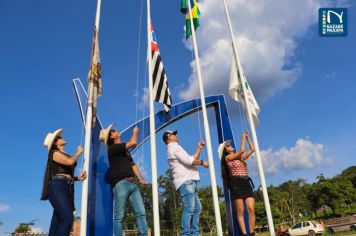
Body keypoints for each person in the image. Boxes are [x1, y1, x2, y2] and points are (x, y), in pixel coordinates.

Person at [100, 124, 148, 236]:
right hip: (121, 184)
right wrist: (135, 132)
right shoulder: (113, 148)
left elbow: (133, 164)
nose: (117, 130)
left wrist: (140, 178)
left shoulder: (123, 150)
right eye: (113, 131)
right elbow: (133, 143)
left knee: (141, 213)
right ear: (112, 137)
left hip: (133, 184)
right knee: (119, 216)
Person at [41, 128, 87, 236]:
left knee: (56, 223)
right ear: (56, 143)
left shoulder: (63, 153)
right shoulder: (54, 153)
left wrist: (77, 178)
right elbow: (70, 162)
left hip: (67, 187)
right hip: (58, 187)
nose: (63, 137)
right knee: (67, 218)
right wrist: (78, 153)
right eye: (60, 137)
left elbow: (65, 173)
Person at [163, 130, 209, 236]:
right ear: (169, 137)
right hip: (185, 181)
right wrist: (202, 162)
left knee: (197, 208)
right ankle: (186, 234)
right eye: (174, 134)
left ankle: (194, 233)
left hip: (188, 181)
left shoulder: (173, 148)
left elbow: (191, 159)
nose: (177, 135)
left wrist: (199, 148)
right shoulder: (175, 147)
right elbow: (190, 161)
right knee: (189, 208)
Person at [218, 130, 255, 236]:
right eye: (228, 146)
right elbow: (242, 150)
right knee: (240, 211)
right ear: (226, 150)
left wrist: (248, 137)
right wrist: (242, 137)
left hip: (245, 182)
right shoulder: (227, 158)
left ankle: (252, 233)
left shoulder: (240, 158)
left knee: (251, 209)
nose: (230, 146)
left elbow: (252, 149)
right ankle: (244, 233)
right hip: (236, 184)